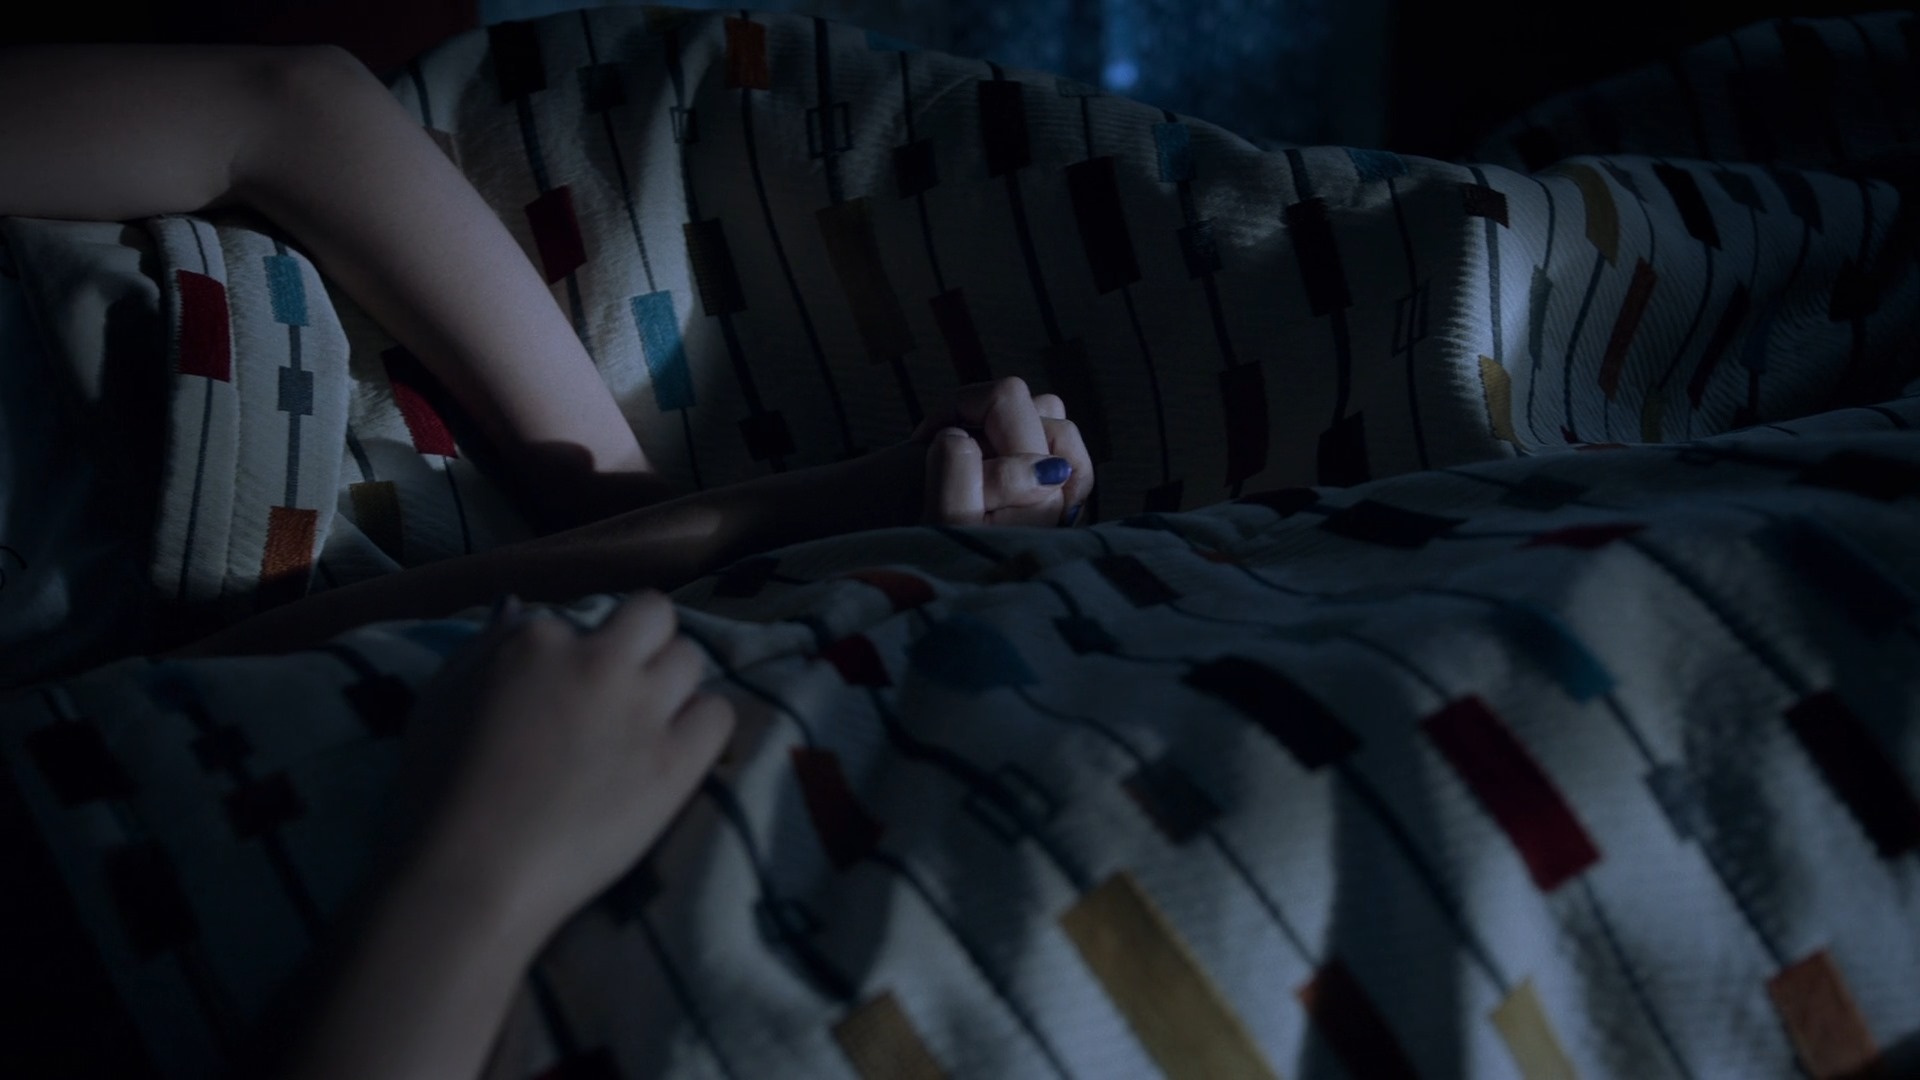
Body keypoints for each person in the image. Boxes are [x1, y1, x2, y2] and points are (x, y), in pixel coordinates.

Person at [0, 41, 1095, 1075]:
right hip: (321, 726)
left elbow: (285, 108)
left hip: (361, 364)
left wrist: (634, 501)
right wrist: (472, 886)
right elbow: (160, 693)